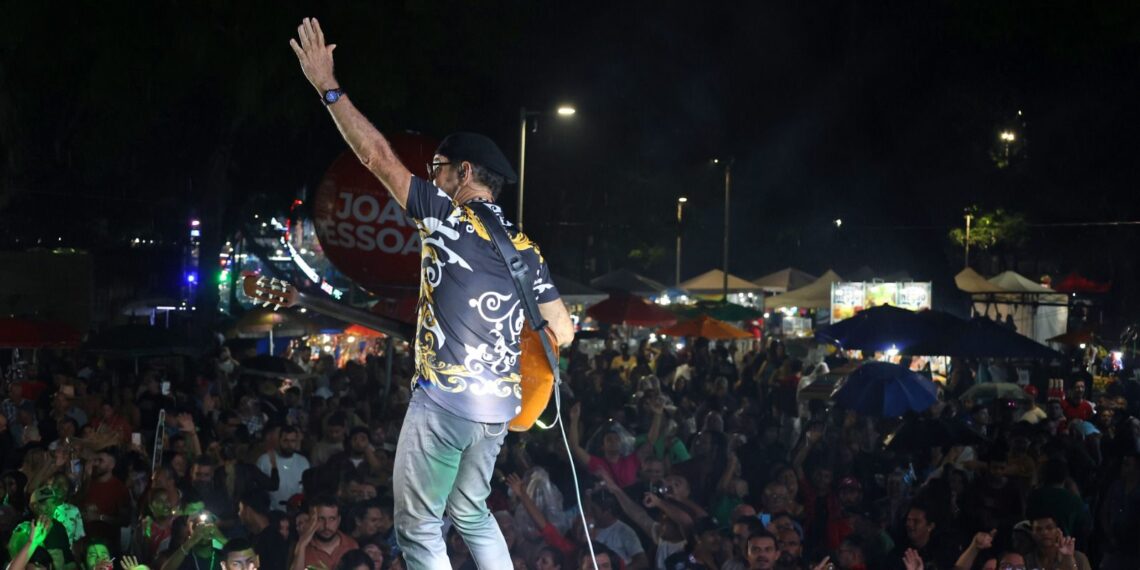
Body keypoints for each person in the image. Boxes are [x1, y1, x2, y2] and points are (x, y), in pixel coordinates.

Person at [289, 17, 574, 570]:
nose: (430, 176)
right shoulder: (525, 248)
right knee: (471, 511)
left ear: (464, 172)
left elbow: (375, 157)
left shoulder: (446, 219)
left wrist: (327, 84)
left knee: (418, 525)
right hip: (497, 409)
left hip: (445, 400)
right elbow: (561, 331)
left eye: (436, 168)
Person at [291, 496, 359, 570]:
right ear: (312, 520)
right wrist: (302, 545)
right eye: (321, 519)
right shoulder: (299, 547)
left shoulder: (352, 545)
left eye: (332, 519)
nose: (326, 525)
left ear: (339, 520)